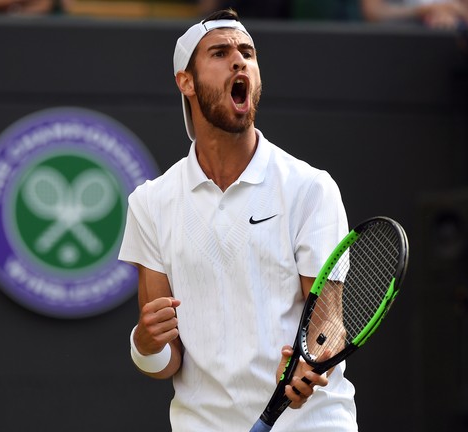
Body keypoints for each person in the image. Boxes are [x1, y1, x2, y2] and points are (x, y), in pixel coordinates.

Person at [118, 8, 357, 431]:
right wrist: (144, 342)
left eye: (247, 52)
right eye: (220, 52)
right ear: (185, 82)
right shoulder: (150, 203)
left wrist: (311, 360)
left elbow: (328, 319)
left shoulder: (310, 188)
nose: (238, 60)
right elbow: (166, 359)